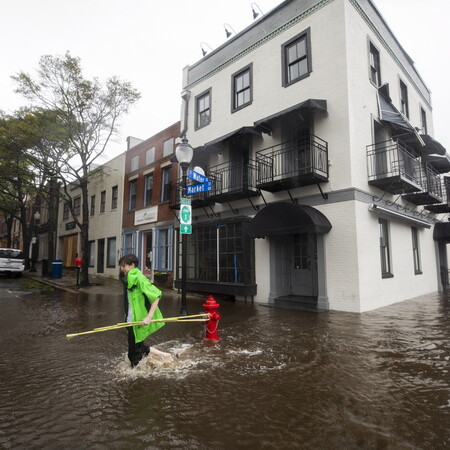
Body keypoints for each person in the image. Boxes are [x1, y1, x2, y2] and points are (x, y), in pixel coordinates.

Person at [119, 253, 171, 368]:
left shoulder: (139, 278)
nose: (121, 268)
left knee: (133, 354)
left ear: (132, 265)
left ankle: (137, 374)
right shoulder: (129, 279)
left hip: (138, 320)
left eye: (124, 266)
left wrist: (149, 317)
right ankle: (164, 355)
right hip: (130, 319)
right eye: (121, 266)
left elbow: (156, 295)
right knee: (137, 344)